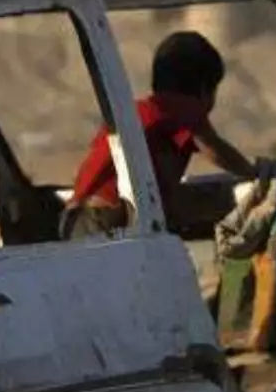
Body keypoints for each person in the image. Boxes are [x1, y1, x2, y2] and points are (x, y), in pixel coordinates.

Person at [61, 31, 258, 237]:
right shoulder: (184, 108)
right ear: (203, 88)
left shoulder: (135, 112)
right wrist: (252, 172)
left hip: (78, 217)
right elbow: (214, 149)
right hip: (111, 217)